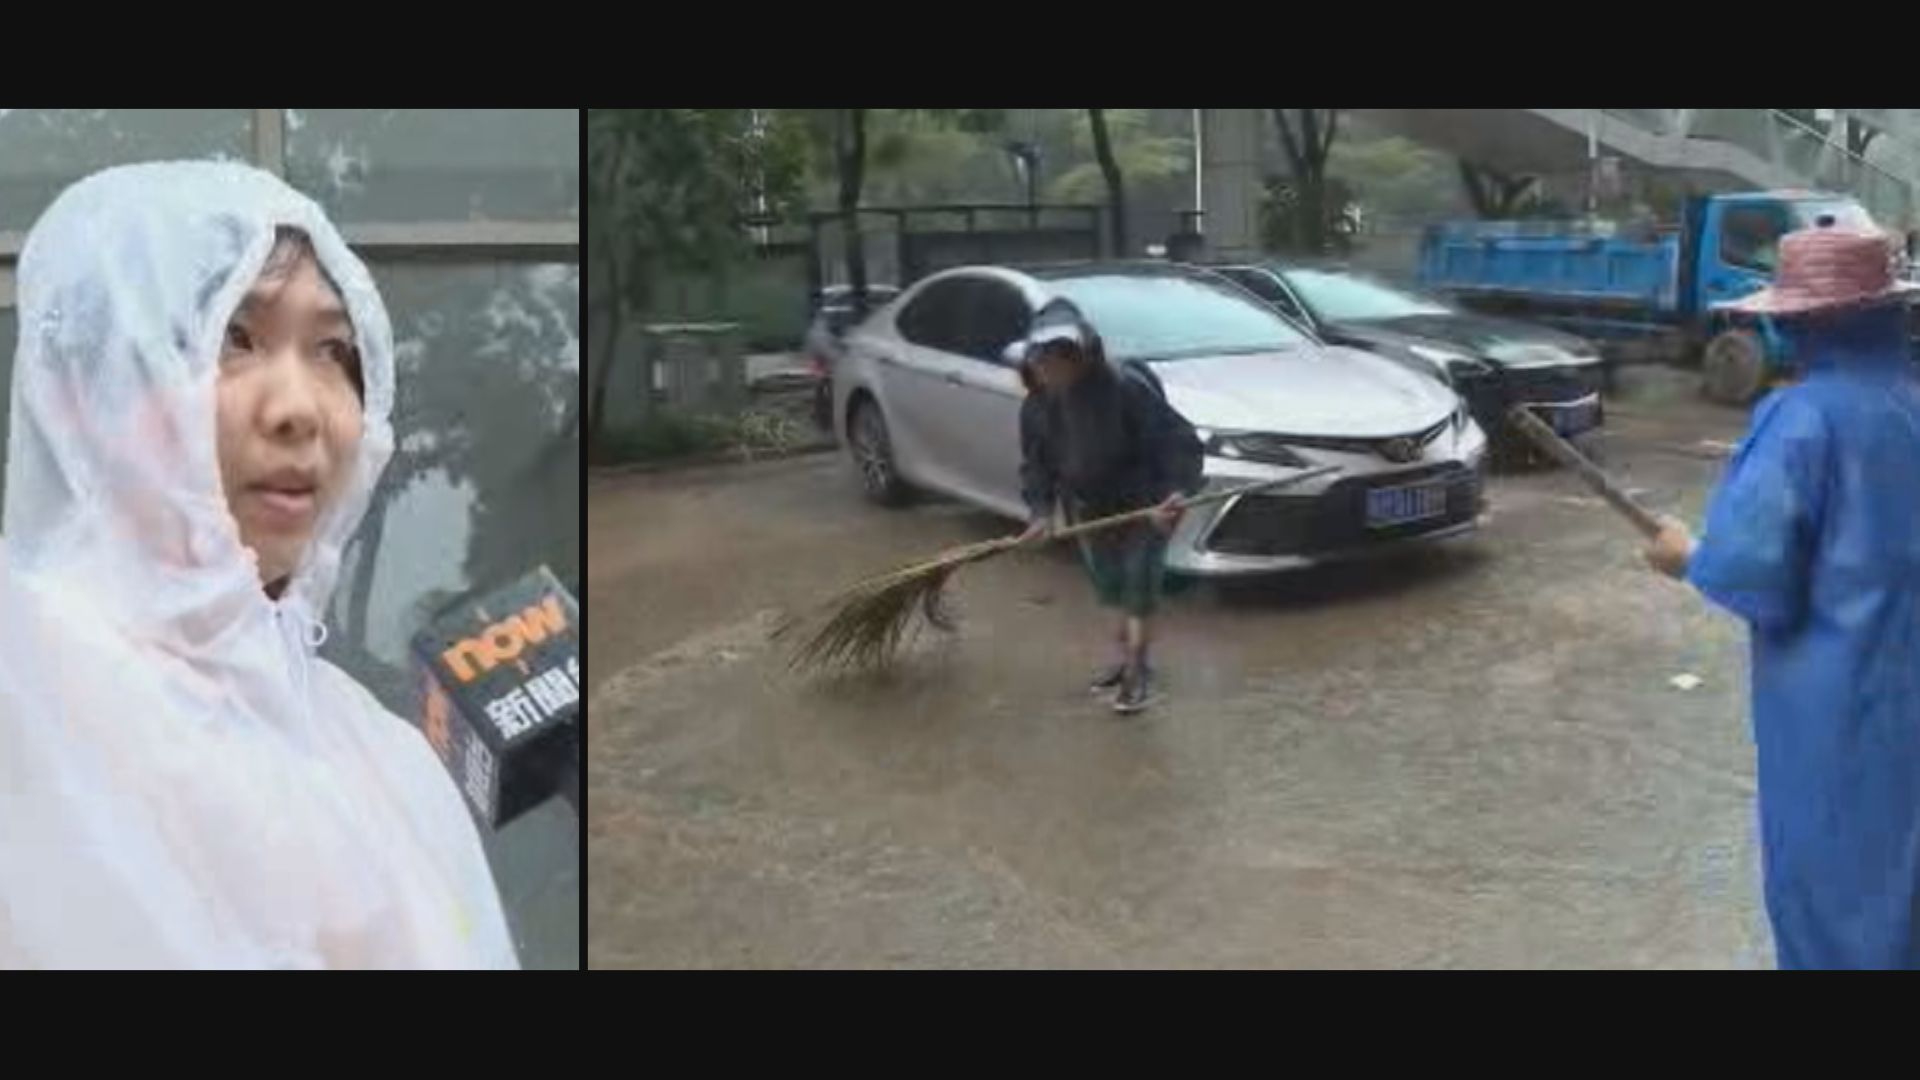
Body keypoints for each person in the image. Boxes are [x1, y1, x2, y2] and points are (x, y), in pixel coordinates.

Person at [0, 161, 518, 968]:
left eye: (333, 351)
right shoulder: (25, 695)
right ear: (81, 394)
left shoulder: (387, 760)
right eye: (233, 339)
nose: (299, 409)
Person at [1643, 225, 1920, 969]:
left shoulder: (1802, 421)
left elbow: (1751, 575)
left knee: (1835, 891)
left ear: (1802, 321)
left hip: (1838, 717)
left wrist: (1683, 556)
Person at [1015, 299, 1204, 714]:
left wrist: (1173, 494)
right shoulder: (1037, 408)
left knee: (1139, 586)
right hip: (1089, 510)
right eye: (1043, 358)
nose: (1051, 367)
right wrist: (1041, 514)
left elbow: (1177, 442)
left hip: (1144, 506)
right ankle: (1123, 660)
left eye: (1060, 356)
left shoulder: (1125, 389)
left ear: (1083, 354)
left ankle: (1137, 672)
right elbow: (1037, 467)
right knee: (1112, 586)